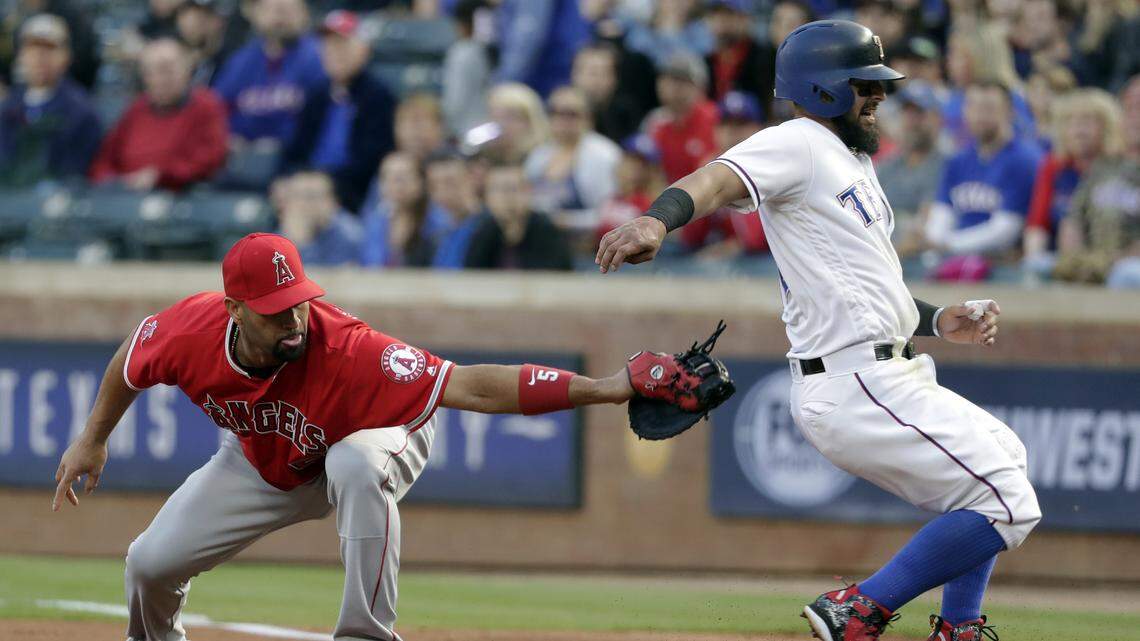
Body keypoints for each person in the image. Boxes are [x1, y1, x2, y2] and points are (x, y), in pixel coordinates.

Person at [597, 20, 1040, 641]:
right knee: (1009, 502)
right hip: (855, 379)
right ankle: (859, 608)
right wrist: (656, 221)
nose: (880, 96)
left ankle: (958, 629)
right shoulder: (799, 141)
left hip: (883, 368)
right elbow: (716, 179)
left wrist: (938, 319)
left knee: (1003, 462)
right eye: (867, 85)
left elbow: (865, 288)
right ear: (826, 88)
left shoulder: (851, 162)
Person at [51, 231, 696, 641]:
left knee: (356, 464)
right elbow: (131, 359)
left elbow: (473, 385)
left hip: (382, 434)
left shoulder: (351, 351)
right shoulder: (189, 331)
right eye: (277, 312)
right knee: (146, 565)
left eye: (301, 298)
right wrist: (93, 437)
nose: (297, 317)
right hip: (264, 462)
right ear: (235, 310)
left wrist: (608, 386)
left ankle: (365, 634)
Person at [280, 10, 396, 214]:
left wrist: (323, 183)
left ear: (364, 49)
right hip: (309, 187)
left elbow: (369, 161)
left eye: (342, 44)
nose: (335, 52)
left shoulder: (379, 96)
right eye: (329, 45)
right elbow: (295, 149)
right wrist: (284, 179)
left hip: (351, 195)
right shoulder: (317, 94)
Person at [925, 81, 1043, 278]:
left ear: (1010, 112)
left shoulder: (1025, 160)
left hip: (1003, 266)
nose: (979, 115)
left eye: (988, 108)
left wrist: (947, 244)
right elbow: (942, 212)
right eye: (973, 107)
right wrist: (934, 243)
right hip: (955, 258)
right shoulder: (958, 160)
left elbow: (1006, 231)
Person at [89, 38, 227, 191]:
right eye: (149, 72)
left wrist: (161, 176)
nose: (158, 79)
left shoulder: (205, 106)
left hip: (177, 198)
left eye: (166, 70)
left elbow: (209, 159)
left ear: (187, 69)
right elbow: (105, 161)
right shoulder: (136, 109)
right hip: (126, 197)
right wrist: (111, 181)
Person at [1052, 75, 1140, 288]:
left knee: (1126, 276)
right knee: (1038, 268)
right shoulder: (1103, 167)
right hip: (1094, 262)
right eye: (1130, 109)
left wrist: (1109, 263)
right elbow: (1073, 220)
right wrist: (1075, 260)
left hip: (1127, 265)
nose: (1136, 117)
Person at [1022, 89, 1121, 278]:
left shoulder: (1119, 167)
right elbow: (1037, 224)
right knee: (1035, 267)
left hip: (1111, 259)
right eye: (1071, 123)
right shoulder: (1053, 166)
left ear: (1107, 127)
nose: (1078, 130)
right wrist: (1032, 258)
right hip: (1063, 258)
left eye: (1087, 122)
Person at [0, 14, 100, 187]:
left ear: (66, 56)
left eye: (49, 48)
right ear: (21, 56)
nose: (39, 57)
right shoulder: (8, 107)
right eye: (32, 48)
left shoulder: (81, 111)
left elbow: (75, 175)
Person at [212, 0, 326, 145]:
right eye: (274, 9)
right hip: (242, 156)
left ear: (305, 14)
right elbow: (217, 110)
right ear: (256, 14)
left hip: (297, 156)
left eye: (289, 9)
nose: (281, 17)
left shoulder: (320, 56)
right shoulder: (240, 61)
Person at [525, 85, 621, 234]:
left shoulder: (604, 155)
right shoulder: (539, 154)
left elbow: (611, 213)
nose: (562, 119)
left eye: (571, 114)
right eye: (555, 112)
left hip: (587, 246)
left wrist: (568, 221)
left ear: (588, 117)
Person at [875, 81, 946, 257]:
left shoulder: (946, 165)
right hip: (884, 255)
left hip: (922, 264)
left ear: (937, 118)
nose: (912, 121)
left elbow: (923, 231)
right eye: (907, 113)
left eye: (920, 113)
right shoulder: (887, 165)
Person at [465, 161, 573, 270]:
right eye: (499, 189)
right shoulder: (481, 232)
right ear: (487, 197)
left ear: (528, 191)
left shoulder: (547, 232)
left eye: (514, 188)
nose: (507, 197)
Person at [360, 151, 448, 268]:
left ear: (421, 181)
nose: (395, 185)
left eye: (402, 177)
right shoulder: (376, 221)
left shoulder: (439, 221)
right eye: (387, 177)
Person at [645, 52, 719, 183]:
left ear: (700, 87)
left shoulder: (715, 118)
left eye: (682, 81)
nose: (674, 87)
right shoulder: (655, 122)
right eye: (668, 79)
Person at [275, 170, 364, 266]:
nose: (304, 205)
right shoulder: (283, 232)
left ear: (333, 201)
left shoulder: (350, 234)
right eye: (297, 196)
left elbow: (329, 275)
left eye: (312, 196)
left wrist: (304, 243)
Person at [571, 42, 641, 144]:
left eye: (605, 73)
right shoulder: (558, 111)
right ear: (574, 75)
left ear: (615, 79)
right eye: (592, 72)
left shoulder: (626, 115)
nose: (598, 80)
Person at [424, 148, 482, 269]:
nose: (442, 193)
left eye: (450, 183)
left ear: (471, 179)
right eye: (434, 185)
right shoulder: (432, 230)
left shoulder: (487, 225)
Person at [703, 0, 768, 107]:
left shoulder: (764, 58)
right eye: (715, 14)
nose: (721, 21)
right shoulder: (707, 61)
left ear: (745, 18)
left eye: (728, 14)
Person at [441, 0, 491, 136]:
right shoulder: (490, 49)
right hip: (487, 129)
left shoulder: (461, 52)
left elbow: (454, 102)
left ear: (460, 24)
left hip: (464, 131)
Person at [174, 0, 231, 86]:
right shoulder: (174, 57)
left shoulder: (233, 61)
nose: (195, 23)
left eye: (205, 17)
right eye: (193, 16)